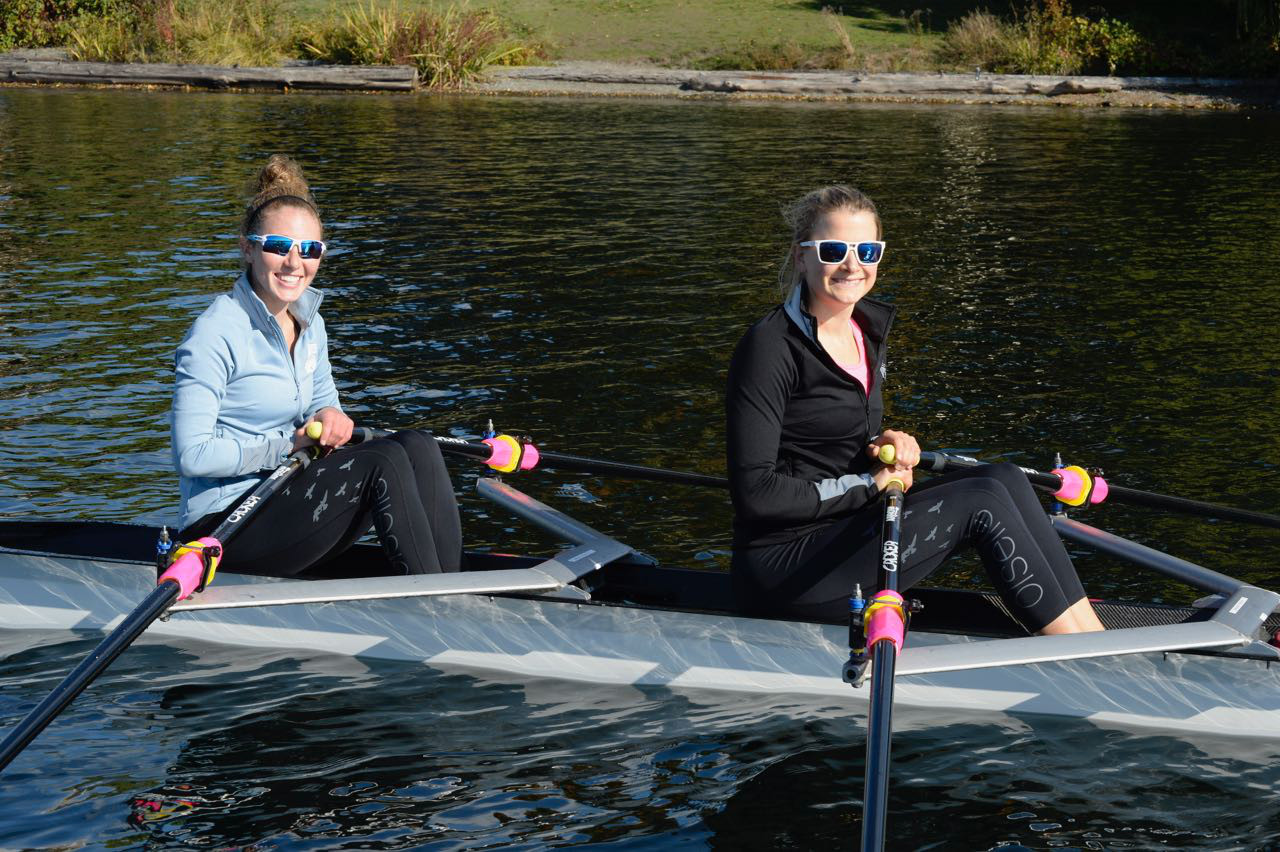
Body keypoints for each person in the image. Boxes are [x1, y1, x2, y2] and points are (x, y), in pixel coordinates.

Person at [726, 185, 1103, 635]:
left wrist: (880, 443)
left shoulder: (866, 331)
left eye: (867, 250)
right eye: (833, 250)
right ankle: (1080, 659)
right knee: (981, 502)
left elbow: (820, 437)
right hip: (786, 566)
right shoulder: (770, 347)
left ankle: (1091, 637)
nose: (853, 265)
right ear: (802, 257)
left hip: (847, 531)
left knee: (1002, 477)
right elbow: (757, 494)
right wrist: (870, 483)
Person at [171, 155, 462, 576]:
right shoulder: (214, 334)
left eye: (309, 250)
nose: (294, 263)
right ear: (248, 248)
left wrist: (329, 415)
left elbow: (325, 403)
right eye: (277, 246)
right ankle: (438, 609)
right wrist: (288, 444)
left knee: (417, 444)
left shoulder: (311, 321)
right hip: (223, 529)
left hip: (291, 494)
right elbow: (193, 456)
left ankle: (457, 588)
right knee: (382, 463)